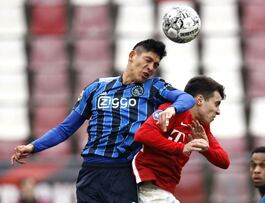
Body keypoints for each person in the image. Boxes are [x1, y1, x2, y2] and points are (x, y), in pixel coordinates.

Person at [11, 39, 196, 203]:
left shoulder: (154, 87)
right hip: (90, 172)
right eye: (148, 60)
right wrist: (33, 147)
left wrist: (172, 108)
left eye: (155, 65)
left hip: (123, 172)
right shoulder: (97, 87)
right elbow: (65, 128)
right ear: (132, 55)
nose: (150, 68)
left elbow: (187, 99)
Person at [132, 75, 230, 203]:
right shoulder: (172, 110)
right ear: (199, 100)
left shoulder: (201, 127)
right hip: (148, 182)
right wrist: (182, 148)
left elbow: (224, 161)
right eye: (216, 104)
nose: (218, 111)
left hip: (165, 188)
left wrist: (206, 149)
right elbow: (143, 134)